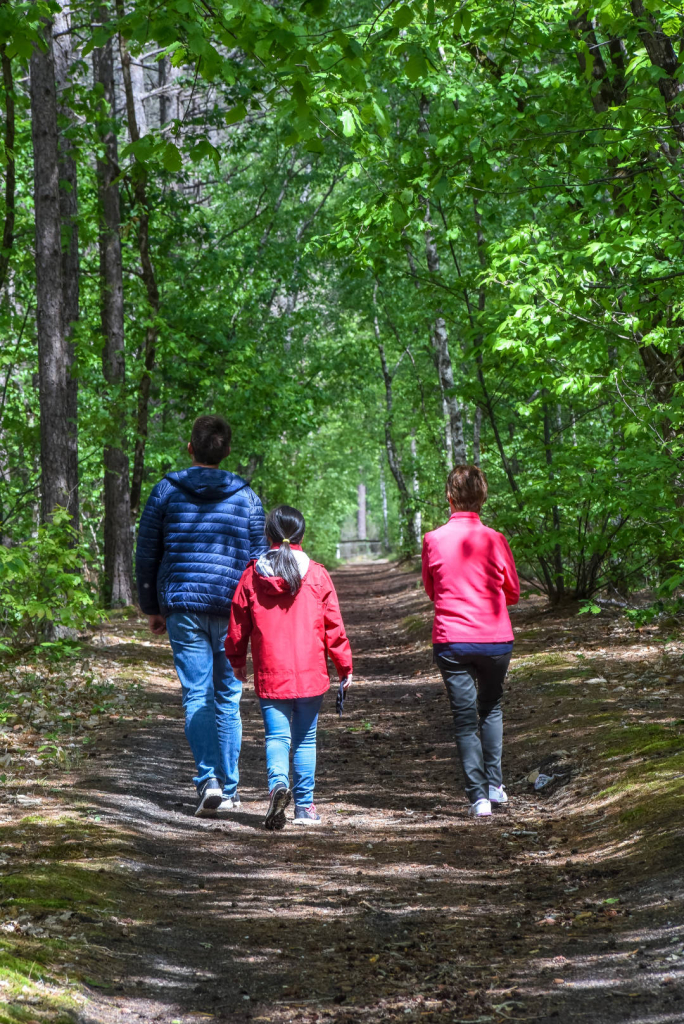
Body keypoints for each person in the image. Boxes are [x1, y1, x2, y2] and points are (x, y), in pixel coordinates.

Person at [135, 415, 268, 817]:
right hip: (231, 608)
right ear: (227, 451)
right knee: (227, 697)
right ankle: (230, 789)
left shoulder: (165, 491)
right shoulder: (247, 497)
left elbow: (147, 552)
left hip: (183, 606)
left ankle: (208, 780)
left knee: (197, 693)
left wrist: (151, 608)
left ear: (190, 448)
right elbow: (258, 562)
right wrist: (257, 616)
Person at [225, 505, 353, 830]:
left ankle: (278, 785)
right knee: (306, 738)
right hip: (311, 673)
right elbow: (334, 627)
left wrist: (237, 662)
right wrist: (344, 668)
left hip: (271, 672)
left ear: (267, 535)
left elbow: (237, 625)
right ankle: (305, 807)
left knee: (277, 737)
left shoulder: (252, 575)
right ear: (302, 535)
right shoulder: (318, 574)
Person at [422, 465, 520, 818]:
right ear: (483, 497)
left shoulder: (433, 539)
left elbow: (433, 592)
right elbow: (513, 593)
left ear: (449, 498)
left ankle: (478, 798)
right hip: (496, 639)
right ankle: (495, 785)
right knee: (491, 707)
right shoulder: (496, 539)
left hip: (452, 640)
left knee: (464, 720)